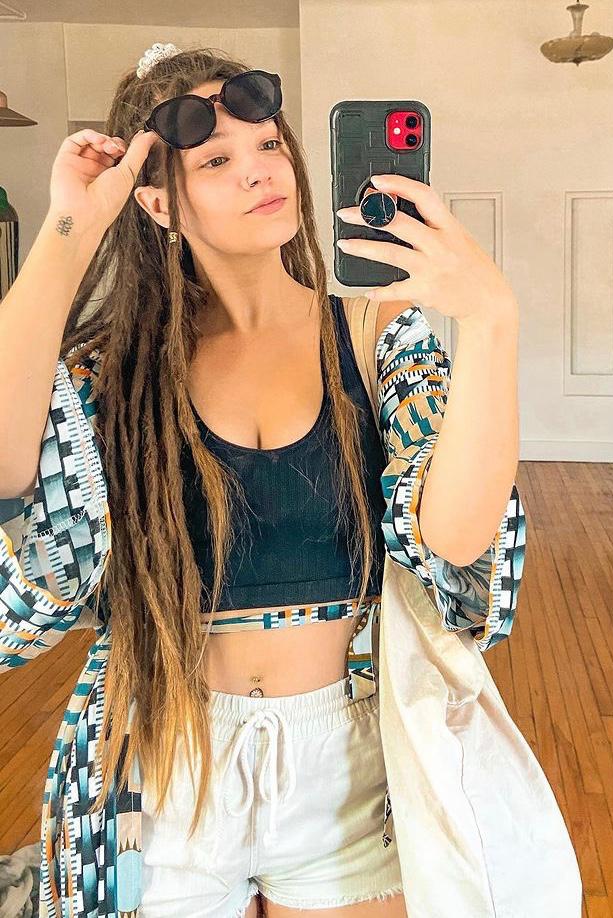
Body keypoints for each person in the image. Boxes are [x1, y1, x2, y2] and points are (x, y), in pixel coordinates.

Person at [0, 44, 525, 918]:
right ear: (157, 204)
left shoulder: (373, 333)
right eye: (216, 161)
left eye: (269, 145)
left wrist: (492, 318)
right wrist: (69, 230)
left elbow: (458, 538)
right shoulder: (114, 373)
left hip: (346, 765)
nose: (259, 170)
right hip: (165, 761)